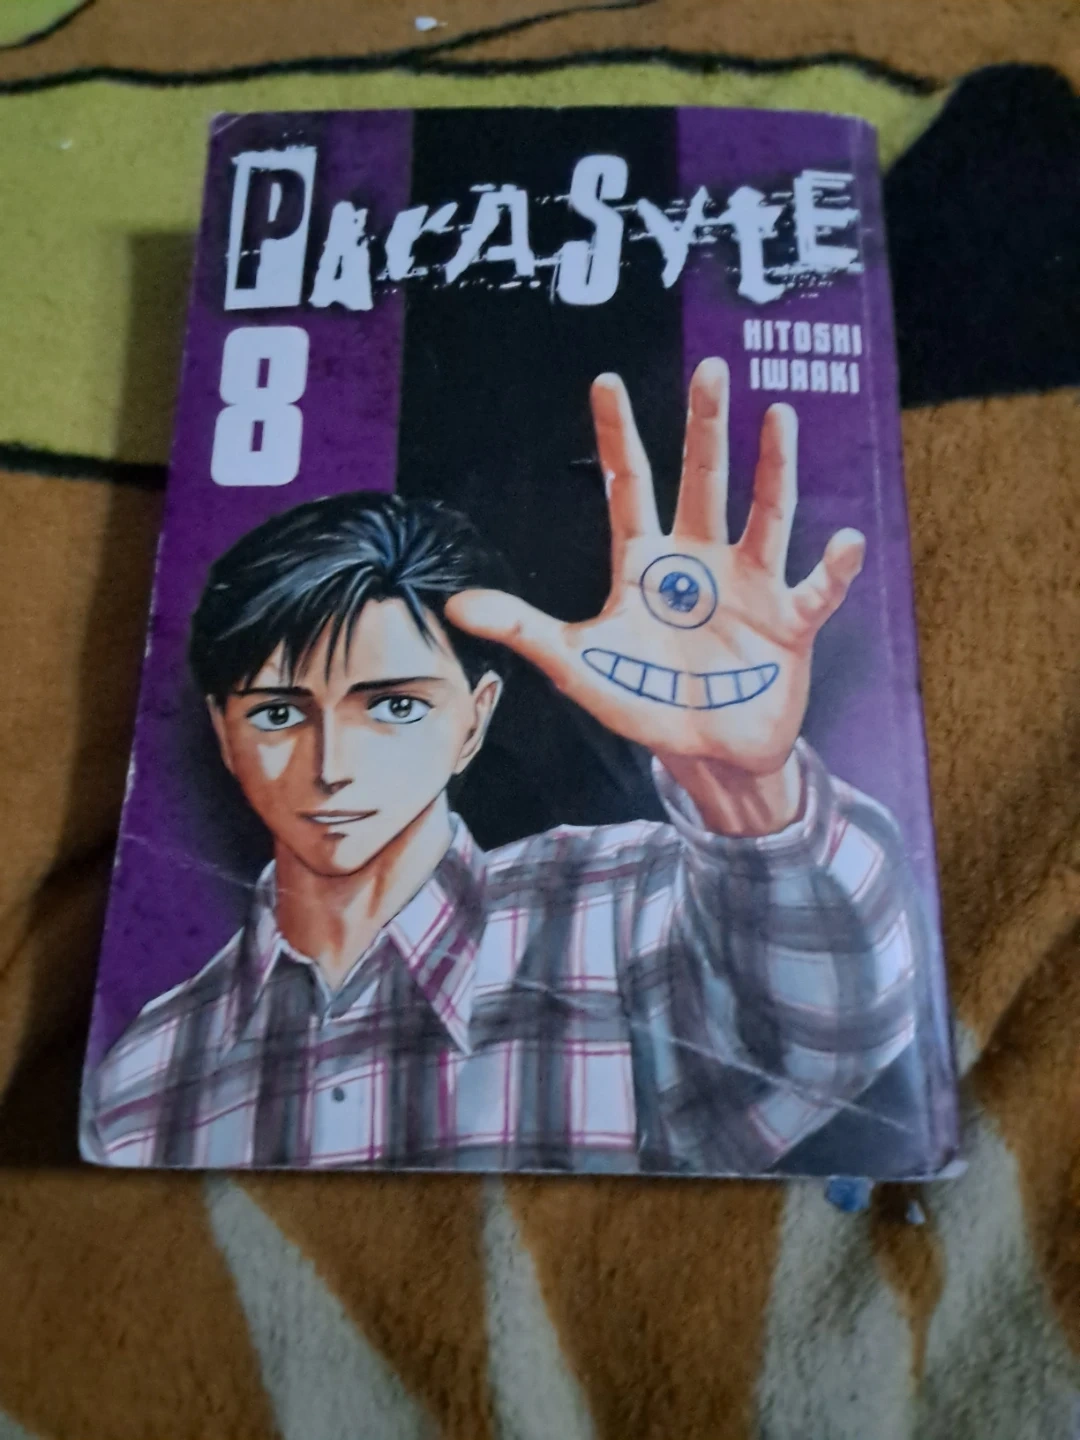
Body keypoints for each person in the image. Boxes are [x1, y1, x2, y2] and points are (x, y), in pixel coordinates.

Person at [81, 358, 924, 1172]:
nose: (331, 767)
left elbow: (835, 1028)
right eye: (278, 713)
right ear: (223, 732)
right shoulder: (142, 1079)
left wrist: (745, 787)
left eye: (394, 706)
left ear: (475, 718)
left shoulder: (623, 909)